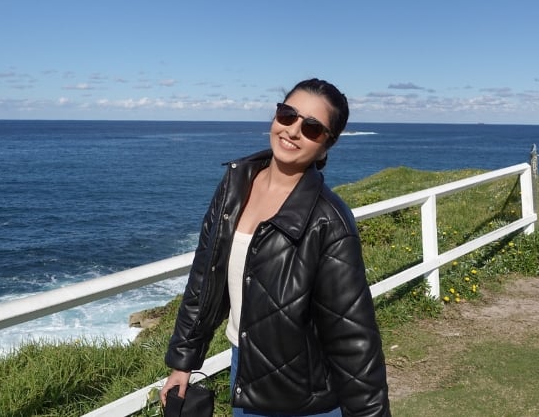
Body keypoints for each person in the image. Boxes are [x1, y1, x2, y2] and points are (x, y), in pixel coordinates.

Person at [160, 78, 391, 416]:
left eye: (312, 128)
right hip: (245, 373)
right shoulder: (234, 185)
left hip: (304, 395)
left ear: (328, 145)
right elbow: (203, 279)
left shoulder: (328, 220)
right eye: (287, 115)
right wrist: (183, 362)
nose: (293, 130)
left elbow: (352, 337)